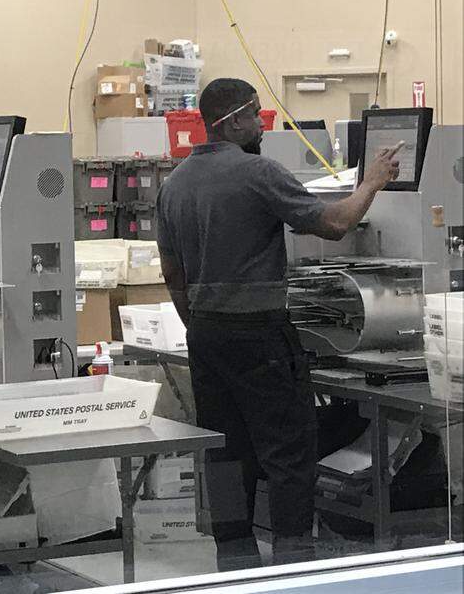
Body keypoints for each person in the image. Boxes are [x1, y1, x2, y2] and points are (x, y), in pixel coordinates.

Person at [156, 79, 402, 571]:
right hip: (260, 336)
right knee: (288, 455)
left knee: (226, 452)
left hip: (205, 334)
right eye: (256, 116)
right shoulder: (257, 172)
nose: (262, 126)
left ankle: (234, 563)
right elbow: (335, 224)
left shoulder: (174, 184)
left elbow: (172, 273)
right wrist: (371, 183)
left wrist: (202, 325)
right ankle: (294, 565)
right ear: (234, 121)